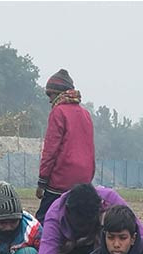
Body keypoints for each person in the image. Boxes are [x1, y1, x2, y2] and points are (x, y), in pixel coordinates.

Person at [36, 69, 95, 222]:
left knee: (44, 220)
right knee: (76, 221)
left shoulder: (58, 112)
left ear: (59, 93)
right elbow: (90, 149)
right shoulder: (85, 114)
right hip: (84, 179)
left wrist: (42, 182)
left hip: (62, 178)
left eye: (50, 94)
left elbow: (50, 150)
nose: (49, 99)